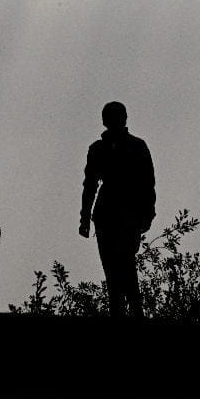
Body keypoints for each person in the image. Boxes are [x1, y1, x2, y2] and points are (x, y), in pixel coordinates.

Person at [80, 101, 156, 317]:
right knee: (112, 268)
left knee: (125, 264)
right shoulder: (98, 148)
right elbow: (90, 184)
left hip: (127, 213)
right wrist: (85, 218)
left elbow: (147, 182)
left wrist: (147, 213)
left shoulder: (136, 146)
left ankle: (133, 312)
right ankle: (120, 312)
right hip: (108, 214)